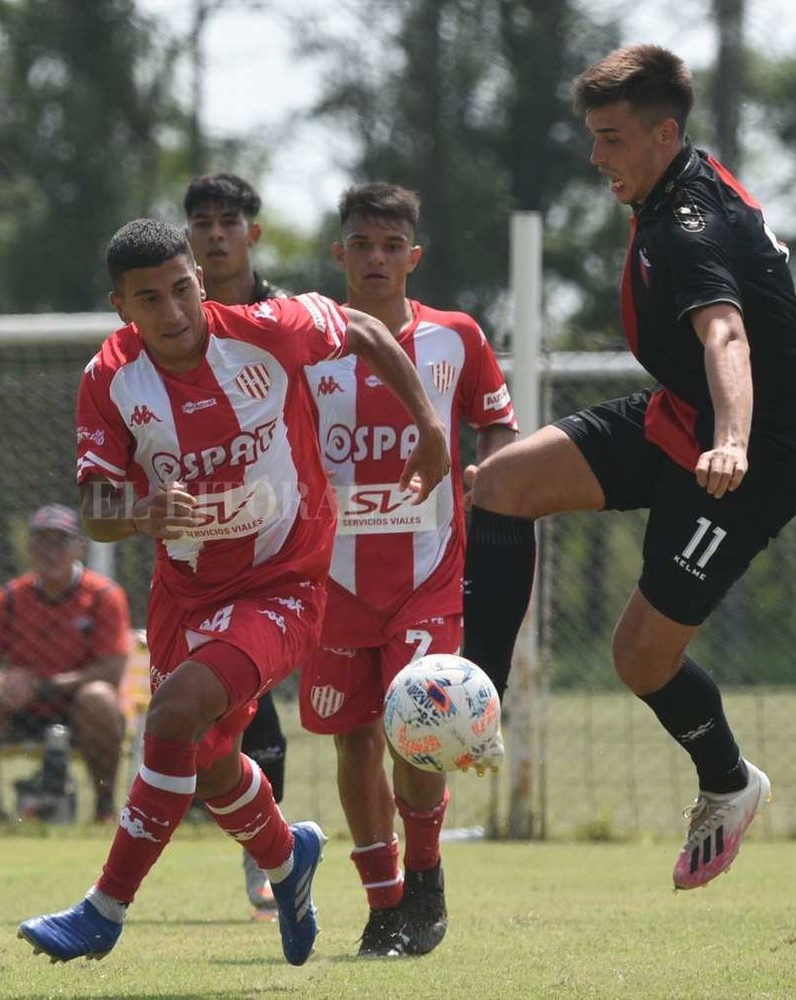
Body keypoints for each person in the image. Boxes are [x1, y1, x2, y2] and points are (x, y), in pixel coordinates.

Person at [16, 218, 450, 965]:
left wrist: (429, 425)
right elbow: (94, 507)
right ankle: (289, 860)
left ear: (198, 280)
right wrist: (141, 512)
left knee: (176, 712)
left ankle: (103, 911)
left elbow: (363, 330)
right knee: (209, 762)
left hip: (283, 582)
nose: (174, 311)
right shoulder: (109, 378)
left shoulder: (268, 329)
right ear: (122, 307)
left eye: (182, 289)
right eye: (150, 299)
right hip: (184, 592)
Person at [468, 44, 796, 889]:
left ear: (665, 133)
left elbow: (725, 335)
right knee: (501, 485)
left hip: (753, 459)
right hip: (679, 416)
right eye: (593, 137)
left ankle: (729, 783)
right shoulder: (677, 181)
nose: (597, 157)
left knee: (638, 659)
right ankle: (476, 700)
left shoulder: (688, 225)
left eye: (612, 138)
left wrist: (734, 439)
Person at [300, 182, 525, 957]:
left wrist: (483, 478)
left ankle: (424, 881)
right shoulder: (303, 342)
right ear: (339, 254)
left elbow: (498, 429)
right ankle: (382, 900)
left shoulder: (456, 336)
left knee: (416, 725)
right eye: (360, 244)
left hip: (427, 573)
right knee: (353, 740)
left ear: (412, 256)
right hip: (332, 581)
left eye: (390, 246)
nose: (374, 258)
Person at [184, 171, 291, 919]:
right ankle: (270, 857)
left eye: (229, 222)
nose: (216, 234)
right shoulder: (168, 322)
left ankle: (403, 860)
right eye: (203, 223)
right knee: (244, 704)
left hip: (300, 533)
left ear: (252, 233)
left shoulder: (286, 318)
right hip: (211, 544)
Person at [0, 504, 131, 823]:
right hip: (17, 708)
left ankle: (104, 807)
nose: (50, 553)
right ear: (29, 550)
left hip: (77, 706)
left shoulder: (104, 596)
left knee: (99, 697)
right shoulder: (8, 598)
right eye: (42, 543)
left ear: (79, 547)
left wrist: (47, 685)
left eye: (60, 543)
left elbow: (112, 670)